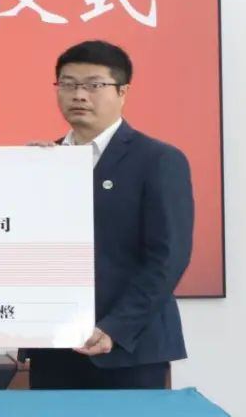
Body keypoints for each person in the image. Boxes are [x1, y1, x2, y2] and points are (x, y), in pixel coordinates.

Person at [25, 40, 194, 389]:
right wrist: (22, 175)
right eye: (68, 84)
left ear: (122, 92)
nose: (79, 95)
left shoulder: (158, 160)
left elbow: (167, 258)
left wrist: (115, 328)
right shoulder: (42, 163)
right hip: (55, 345)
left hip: (129, 349)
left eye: (93, 85)